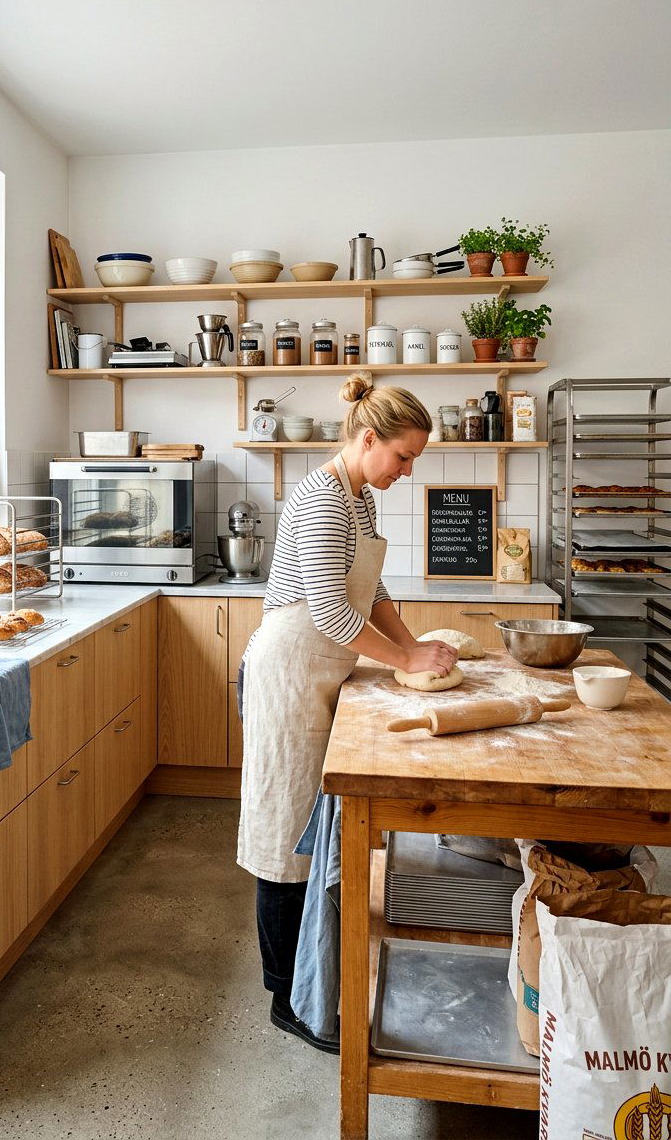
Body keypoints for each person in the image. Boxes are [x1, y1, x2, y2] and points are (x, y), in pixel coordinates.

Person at [236, 375, 458, 1051]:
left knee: (311, 832)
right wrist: (402, 662)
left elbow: (372, 586)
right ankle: (285, 997)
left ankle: (311, 978)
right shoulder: (324, 501)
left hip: (321, 672)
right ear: (368, 440)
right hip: (287, 674)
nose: (408, 469)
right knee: (283, 839)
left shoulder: (356, 499)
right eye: (403, 456)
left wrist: (410, 643)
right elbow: (332, 611)